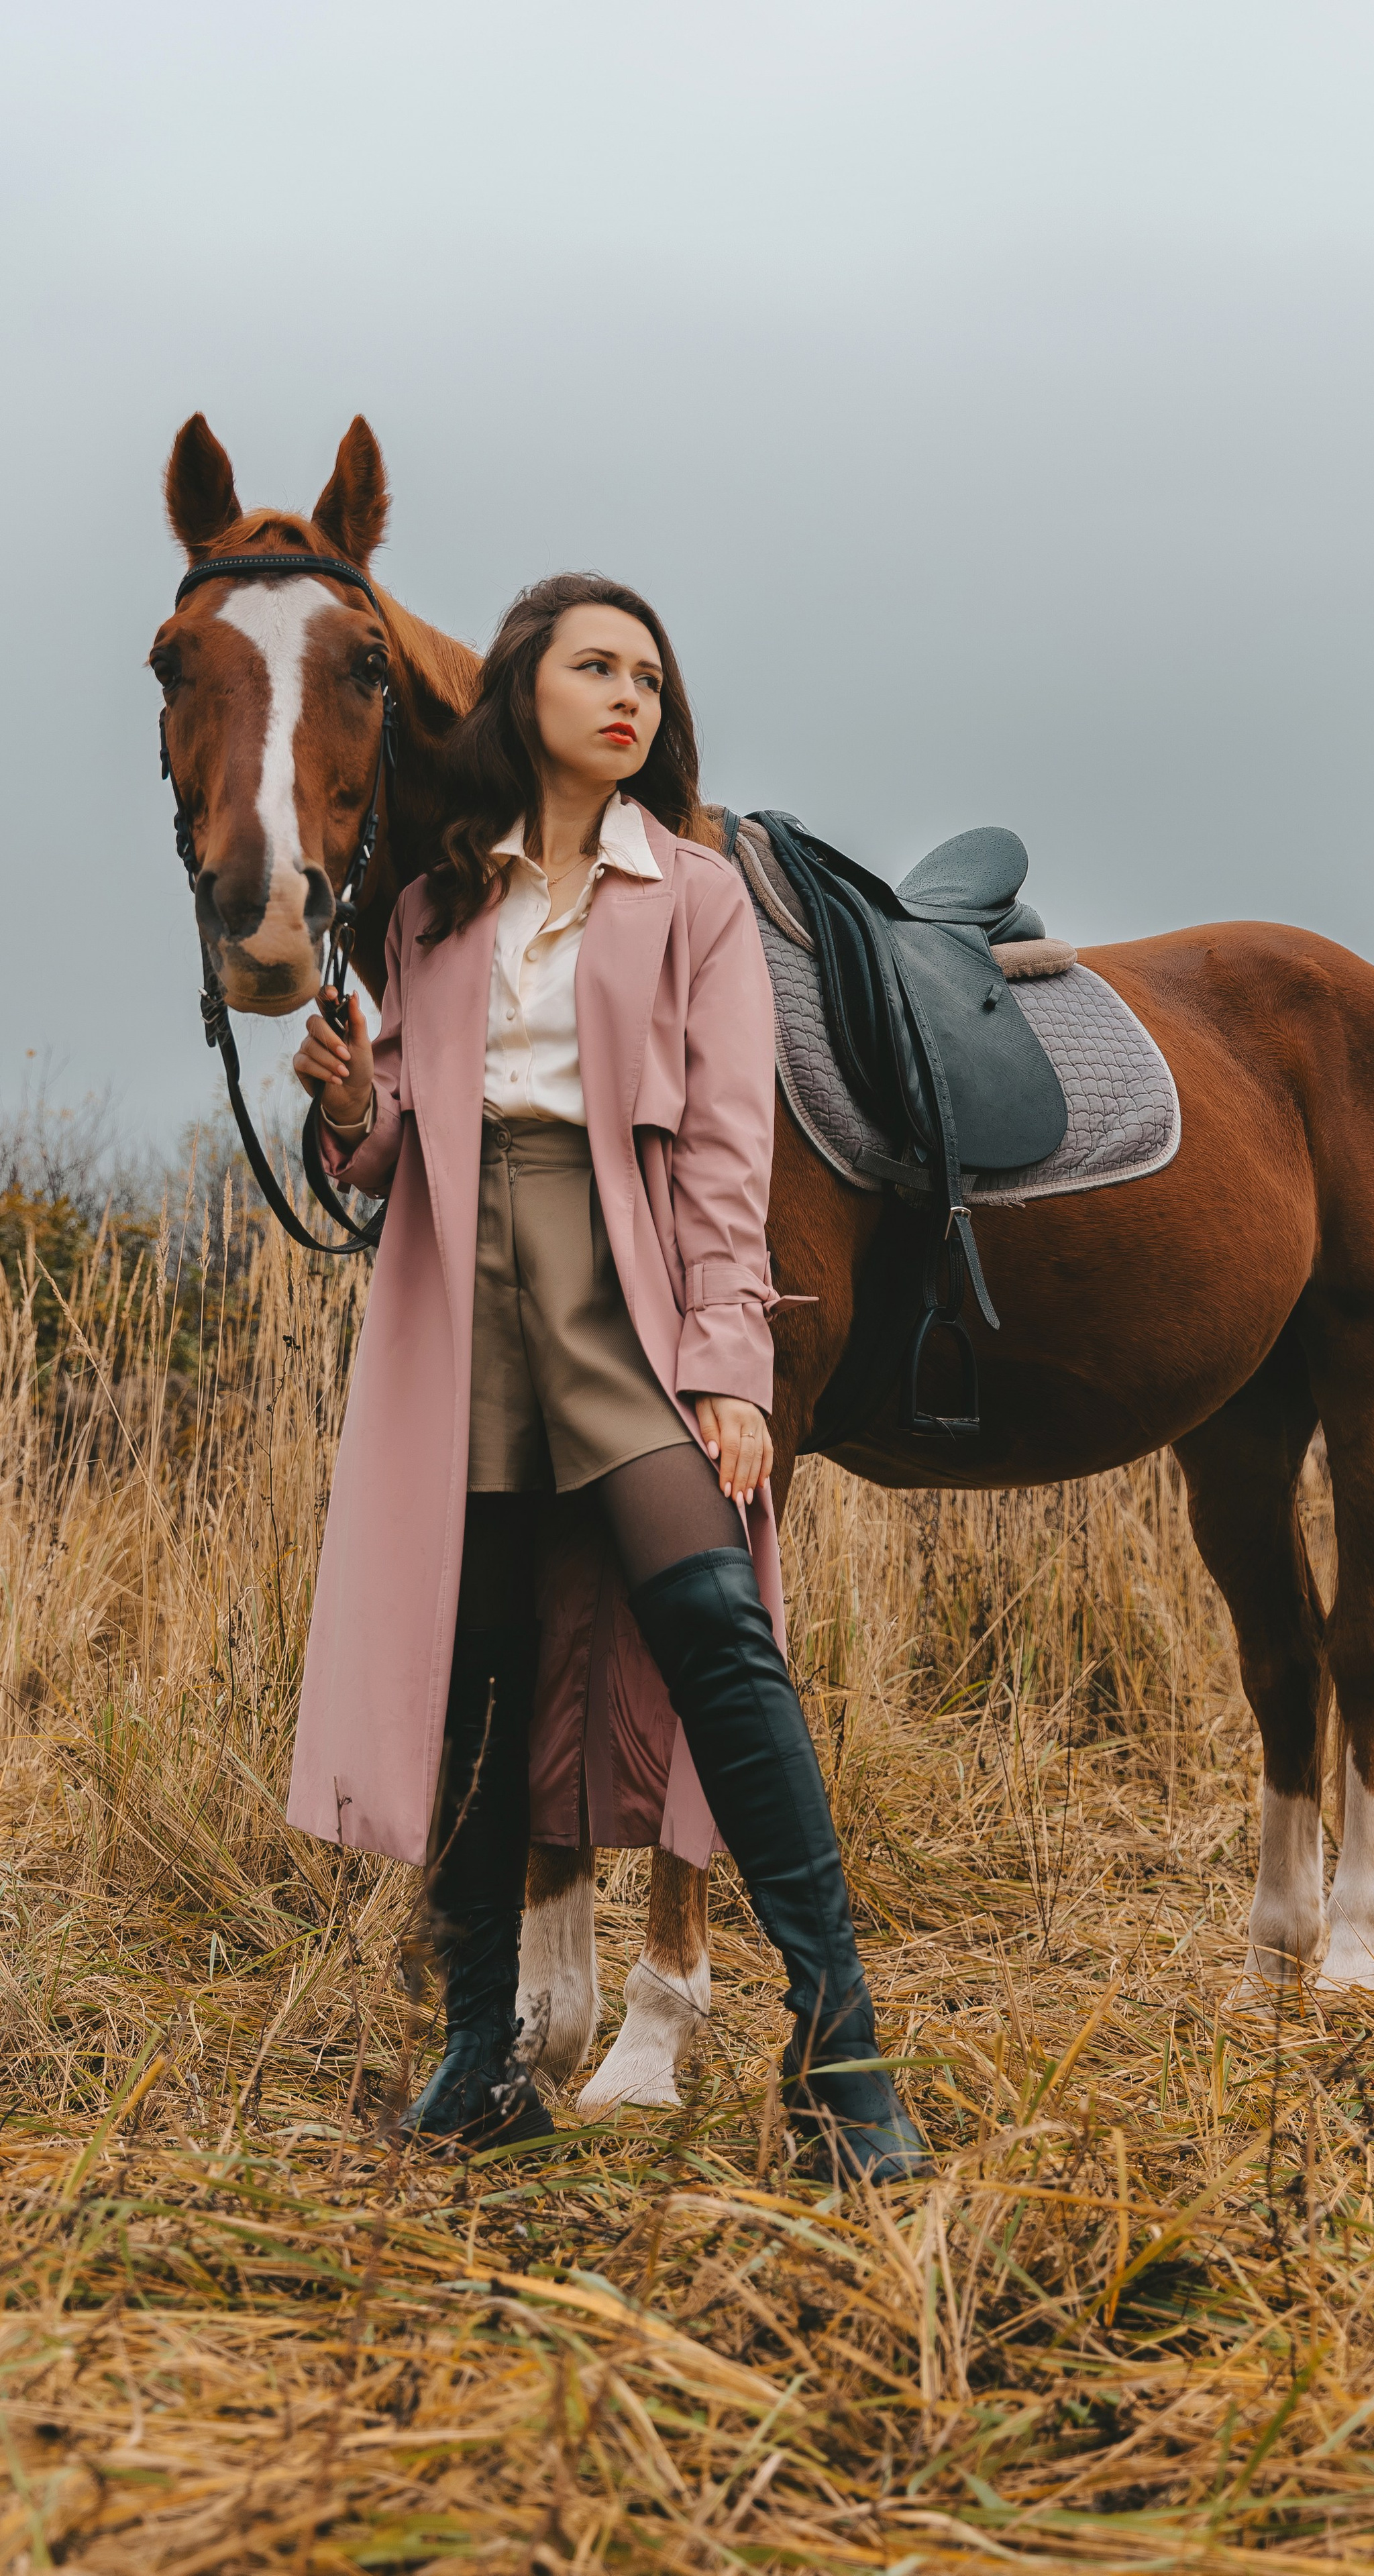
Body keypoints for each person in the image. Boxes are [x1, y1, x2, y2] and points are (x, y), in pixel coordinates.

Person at [287, 572, 924, 2180]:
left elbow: (726, 1148)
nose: (628, 693)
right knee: (477, 1667)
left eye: (646, 672)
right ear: (525, 696)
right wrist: (341, 1103)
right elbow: (389, 1155)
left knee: (714, 1618)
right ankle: (475, 2054)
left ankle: (839, 2050)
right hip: (457, 1301)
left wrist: (727, 1363)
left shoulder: (695, 896)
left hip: (618, 1284)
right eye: (593, 667)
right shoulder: (435, 909)